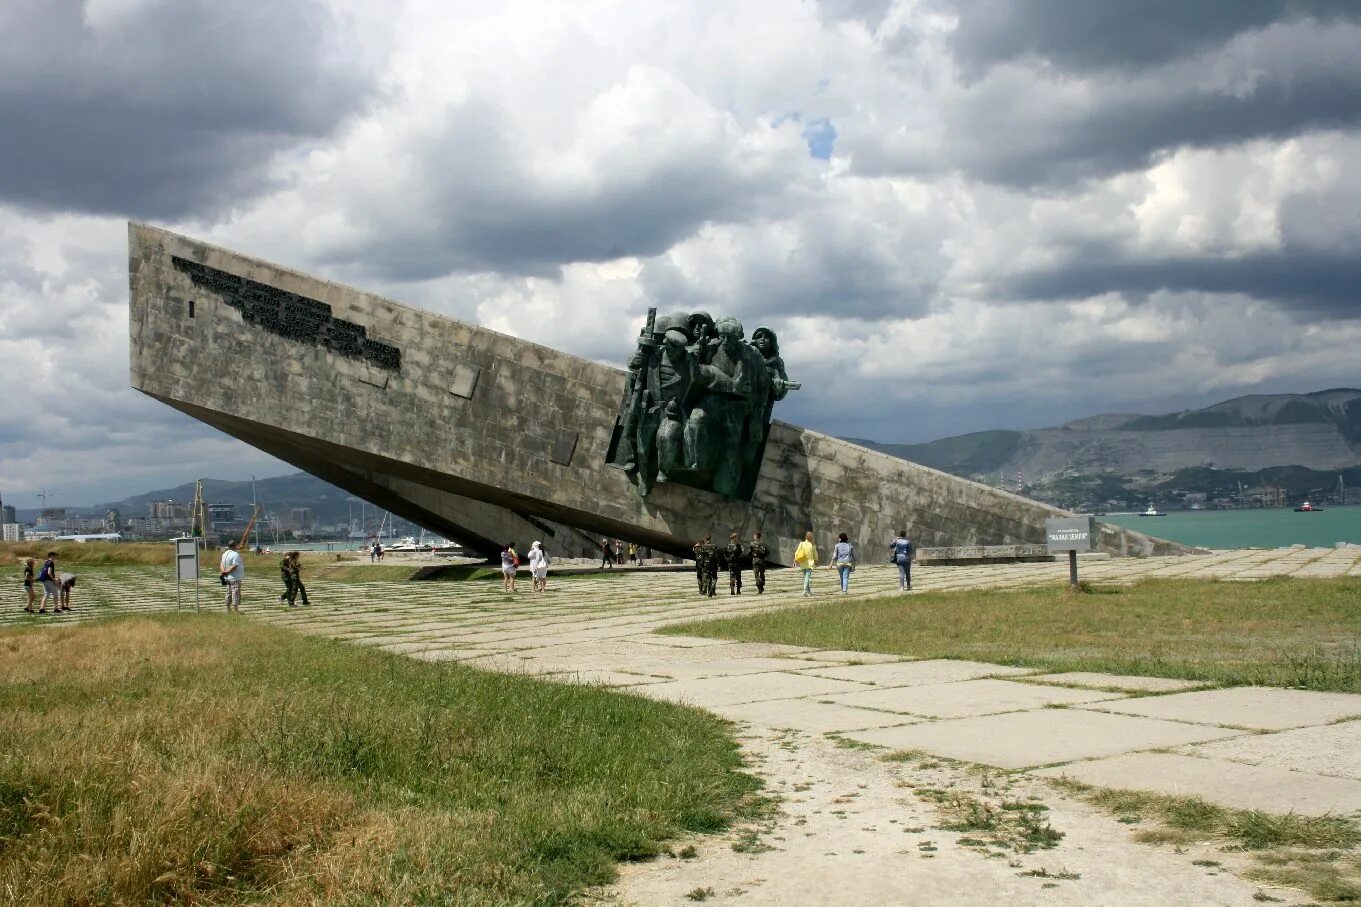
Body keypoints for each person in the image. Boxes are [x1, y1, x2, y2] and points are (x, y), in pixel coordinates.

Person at [219, 541, 244, 612]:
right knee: (235, 592)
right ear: (234, 546)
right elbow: (235, 565)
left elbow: (221, 564)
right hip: (235, 577)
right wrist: (228, 571)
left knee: (228, 592)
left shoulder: (224, 554)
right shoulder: (235, 554)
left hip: (227, 577)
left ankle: (228, 608)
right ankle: (236, 609)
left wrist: (223, 572)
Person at [793, 532, 817, 596]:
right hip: (810, 563)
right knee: (807, 577)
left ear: (805, 537)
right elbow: (815, 554)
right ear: (812, 537)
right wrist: (816, 560)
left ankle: (809, 592)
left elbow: (796, 553)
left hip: (802, 563)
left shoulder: (802, 544)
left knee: (806, 577)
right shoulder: (812, 545)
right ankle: (805, 590)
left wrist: (795, 560)